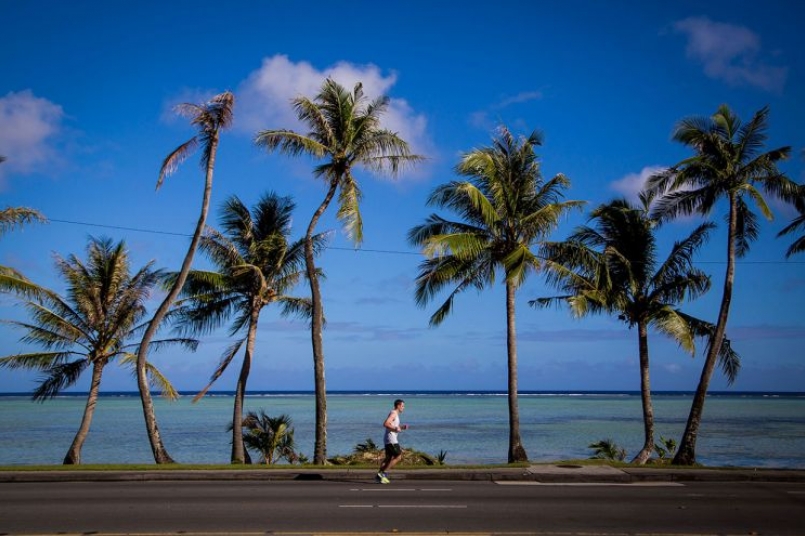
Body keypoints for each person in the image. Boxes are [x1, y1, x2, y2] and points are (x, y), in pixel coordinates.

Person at [377, 399, 408, 484]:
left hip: (388, 439)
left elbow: (393, 426)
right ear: (398, 406)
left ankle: (379, 476)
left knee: (388, 458)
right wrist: (396, 428)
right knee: (398, 457)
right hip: (391, 440)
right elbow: (386, 424)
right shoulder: (394, 413)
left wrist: (401, 427)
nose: (403, 408)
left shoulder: (395, 414)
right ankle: (383, 473)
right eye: (402, 406)